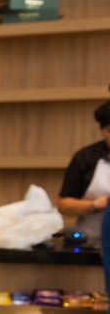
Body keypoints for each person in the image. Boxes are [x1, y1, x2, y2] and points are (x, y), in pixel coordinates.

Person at [58, 101, 110, 246]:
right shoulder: (85, 158)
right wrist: (93, 205)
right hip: (91, 241)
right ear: (102, 131)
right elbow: (63, 204)